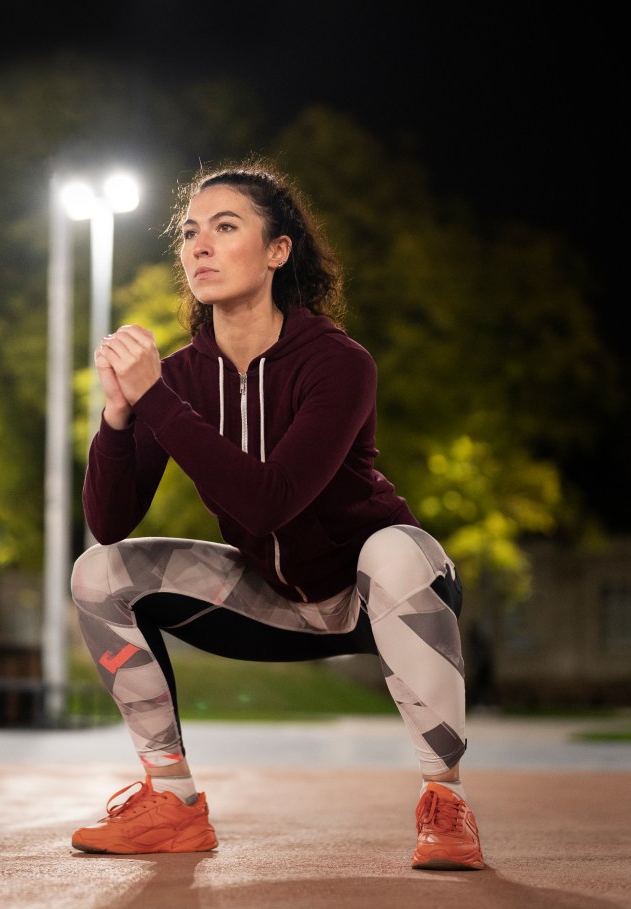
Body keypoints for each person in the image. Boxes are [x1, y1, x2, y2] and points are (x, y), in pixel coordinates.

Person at [68, 156, 484, 870]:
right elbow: (111, 520)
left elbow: (270, 501)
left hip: (372, 595)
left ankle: (445, 801)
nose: (199, 244)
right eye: (190, 231)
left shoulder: (337, 362)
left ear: (277, 251)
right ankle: (173, 802)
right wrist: (116, 414)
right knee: (99, 571)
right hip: (269, 598)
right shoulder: (181, 374)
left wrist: (156, 399)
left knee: (400, 548)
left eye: (225, 227)